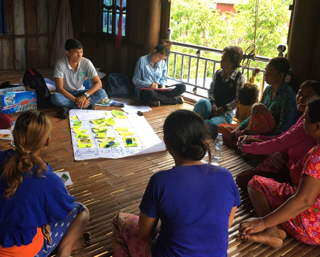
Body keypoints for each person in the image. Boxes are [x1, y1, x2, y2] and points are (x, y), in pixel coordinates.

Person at [111, 110, 241, 256]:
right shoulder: (225, 175)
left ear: (167, 144)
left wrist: (168, 224)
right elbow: (226, 224)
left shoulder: (160, 181)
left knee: (120, 220)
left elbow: (146, 233)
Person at [238, 97, 320, 248]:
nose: (303, 123)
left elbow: (305, 200)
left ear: (317, 127)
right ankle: (280, 231)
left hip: (311, 228)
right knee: (285, 190)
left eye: (305, 120)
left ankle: (271, 230)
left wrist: (263, 222)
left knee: (256, 183)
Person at [0, 110, 91, 257]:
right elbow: (63, 210)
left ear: (14, 136)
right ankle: (64, 252)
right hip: (25, 253)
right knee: (81, 210)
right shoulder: (47, 179)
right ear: (47, 141)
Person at [235, 81, 320, 192]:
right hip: (285, 158)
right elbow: (283, 136)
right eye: (300, 93)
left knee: (243, 179)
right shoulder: (303, 118)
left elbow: (281, 142)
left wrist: (246, 147)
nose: (301, 98)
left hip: (291, 172)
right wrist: (256, 139)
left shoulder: (311, 124)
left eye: (309, 95)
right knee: (249, 141)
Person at [230, 57, 298, 145]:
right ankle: (247, 140)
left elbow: (284, 127)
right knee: (222, 128)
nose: (265, 75)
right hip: (256, 130)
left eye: (269, 73)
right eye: (265, 71)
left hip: (271, 137)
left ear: (281, 75)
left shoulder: (289, 95)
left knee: (258, 107)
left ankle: (250, 141)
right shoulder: (269, 89)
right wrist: (239, 128)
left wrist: (261, 139)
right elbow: (254, 116)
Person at [193, 46, 246, 132]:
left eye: (224, 60)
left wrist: (223, 109)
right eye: (222, 58)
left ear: (232, 63)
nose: (221, 61)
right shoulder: (218, 73)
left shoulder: (239, 78)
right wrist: (213, 104)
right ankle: (199, 123)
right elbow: (211, 91)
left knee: (214, 125)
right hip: (213, 108)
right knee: (202, 103)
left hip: (225, 114)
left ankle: (195, 122)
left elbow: (237, 100)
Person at [51, 39, 107, 118]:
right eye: (76, 52)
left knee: (102, 92)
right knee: (55, 98)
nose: (79, 55)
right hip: (67, 94)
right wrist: (76, 100)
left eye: (81, 52)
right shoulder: (60, 64)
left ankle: (69, 108)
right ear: (68, 53)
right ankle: (85, 105)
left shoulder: (86, 62)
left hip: (81, 92)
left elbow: (98, 83)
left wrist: (84, 96)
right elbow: (59, 88)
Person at [133, 41, 186, 107]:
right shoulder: (142, 60)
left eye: (163, 59)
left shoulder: (162, 63)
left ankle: (156, 99)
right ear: (155, 51)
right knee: (150, 94)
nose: (160, 60)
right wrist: (149, 85)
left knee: (182, 87)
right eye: (159, 57)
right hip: (146, 90)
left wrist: (162, 85)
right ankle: (173, 100)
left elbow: (163, 78)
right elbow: (135, 79)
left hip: (159, 89)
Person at [218, 81, 260, 145]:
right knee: (247, 138)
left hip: (239, 127)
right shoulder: (255, 106)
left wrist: (253, 76)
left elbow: (237, 116)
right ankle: (241, 143)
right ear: (253, 99)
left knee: (221, 127)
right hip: (248, 130)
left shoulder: (239, 104)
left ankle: (236, 141)